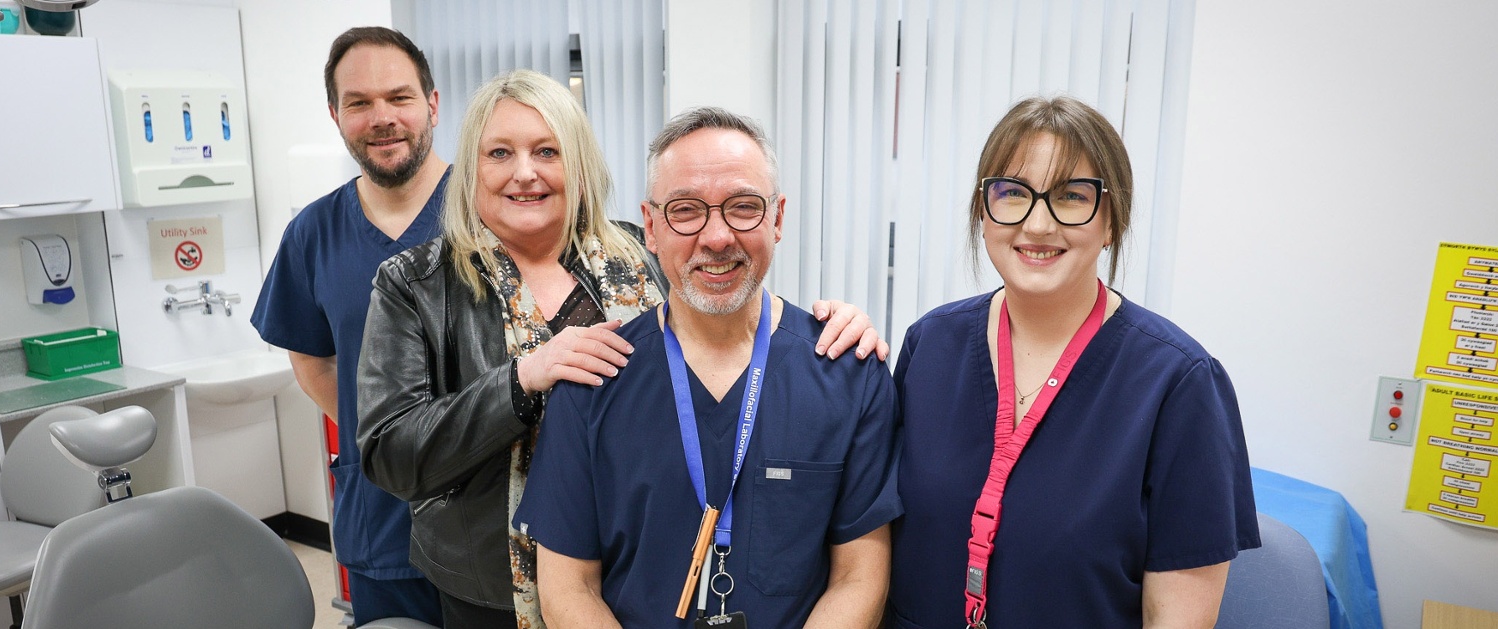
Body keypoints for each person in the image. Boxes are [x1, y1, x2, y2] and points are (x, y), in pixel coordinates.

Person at [356, 76, 889, 629]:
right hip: (493, 583)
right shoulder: (417, 283)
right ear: (471, 168)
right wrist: (522, 380)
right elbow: (389, 450)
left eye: (547, 150)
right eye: (499, 153)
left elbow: (729, 295)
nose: (525, 171)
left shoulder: (637, 251)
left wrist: (837, 329)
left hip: (632, 566)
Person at [515, 107, 901, 629]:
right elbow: (567, 589)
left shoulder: (848, 374)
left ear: (778, 218)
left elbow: (860, 578)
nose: (716, 237)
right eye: (686, 210)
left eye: (743, 208)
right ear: (650, 226)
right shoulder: (594, 381)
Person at [887, 95, 1259, 628]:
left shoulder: (1178, 383)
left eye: (1071, 196)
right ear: (983, 212)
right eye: (1012, 193)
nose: (1038, 225)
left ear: (1112, 222)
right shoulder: (930, 345)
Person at [251, 26, 447, 626]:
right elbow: (312, 360)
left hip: (498, 518)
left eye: (399, 97)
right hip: (381, 518)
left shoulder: (491, 211)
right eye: (359, 103)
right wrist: (387, 433)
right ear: (336, 115)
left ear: (432, 104)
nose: (381, 117)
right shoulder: (313, 234)